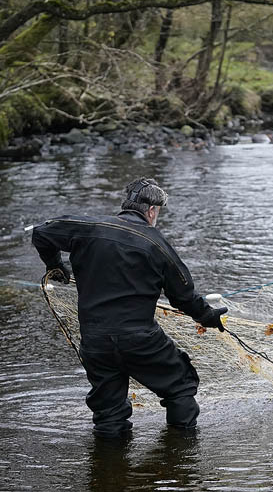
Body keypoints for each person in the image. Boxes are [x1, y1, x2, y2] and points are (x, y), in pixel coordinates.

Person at [32, 178, 227, 438]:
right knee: (180, 385)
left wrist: (54, 265)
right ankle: (181, 459)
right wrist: (209, 316)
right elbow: (184, 297)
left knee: (109, 414)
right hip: (141, 341)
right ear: (152, 211)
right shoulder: (157, 245)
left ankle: (109, 472)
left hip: (95, 342)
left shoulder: (88, 228)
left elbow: (41, 233)